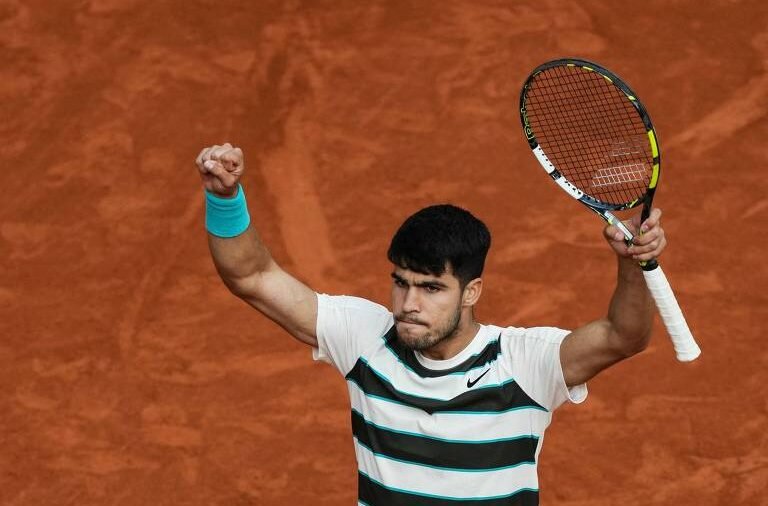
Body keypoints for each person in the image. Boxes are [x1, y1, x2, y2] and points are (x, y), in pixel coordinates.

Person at [195, 142, 666, 506]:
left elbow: (623, 335)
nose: (409, 304)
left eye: (431, 288)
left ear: (471, 292)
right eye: (401, 283)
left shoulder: (524, 363)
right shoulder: (365, 339)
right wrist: (225, 198)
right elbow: (252, 277)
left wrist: (633, 266)